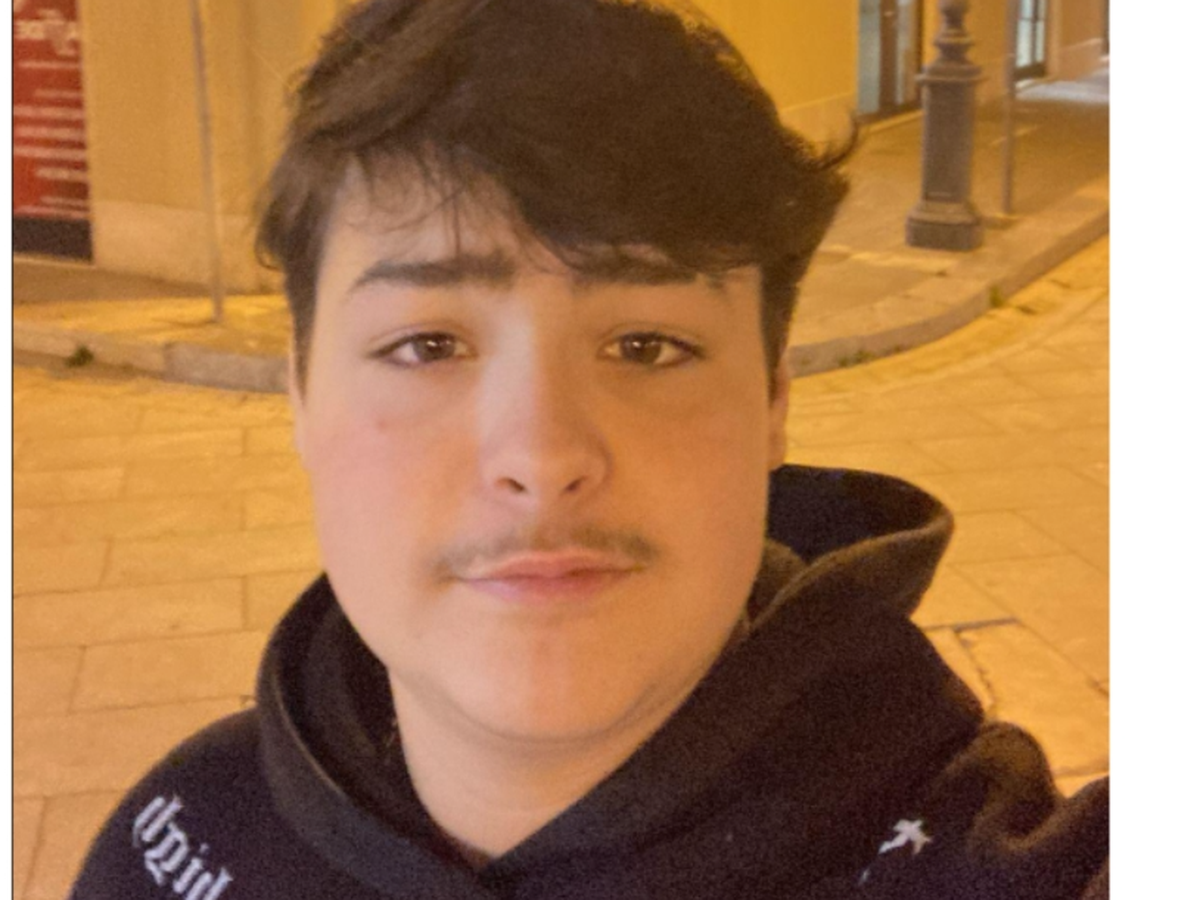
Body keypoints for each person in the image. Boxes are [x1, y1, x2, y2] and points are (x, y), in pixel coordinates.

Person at [70, 1, 1108, 897]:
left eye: (646, 345)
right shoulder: (177, 843)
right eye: (427, 345)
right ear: (301, 398)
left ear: (773, 400)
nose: (541, 454)